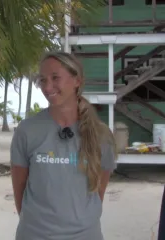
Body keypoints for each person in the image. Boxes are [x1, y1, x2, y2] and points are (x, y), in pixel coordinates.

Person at [10, 51, 117, 240]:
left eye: (55, 78)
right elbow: (20, 190)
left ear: (77, 80)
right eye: (42, 80)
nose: (47, 86)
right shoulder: (27, 131)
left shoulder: (101, 136)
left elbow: (98, 192)